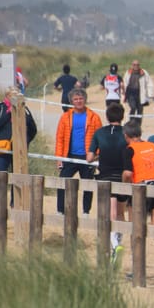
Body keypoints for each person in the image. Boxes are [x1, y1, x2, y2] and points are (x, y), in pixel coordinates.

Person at [87, 103, 130, 257]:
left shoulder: (99, 133)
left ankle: (114, 245)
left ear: (107, 116)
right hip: (123, 176)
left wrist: (101, 154)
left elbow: (89, 158)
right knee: (120, 212)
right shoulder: (127, 133)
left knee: (110, 212)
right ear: (122, 117)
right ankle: (118, 241)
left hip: (105, 175)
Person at [122, 119, 154, 238]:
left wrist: (124, 186)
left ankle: (136, 255)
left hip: (141, 189)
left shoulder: (129, 149)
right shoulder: (153, 146)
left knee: (135, 227)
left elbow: (128, 173)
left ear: (126, 135)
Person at [54, 87, 101, 215]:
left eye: (81, 98)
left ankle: (86, 211)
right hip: (69, 155)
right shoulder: (65, 117)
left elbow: (99, 138)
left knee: (88, 185)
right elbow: (60, 138)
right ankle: (60, 210)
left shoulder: (94, 117)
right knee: (62, 182)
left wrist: (96, 156)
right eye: (76, 99)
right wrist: (59, 158)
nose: (79, 101)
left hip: (87, 157)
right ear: (71, 101)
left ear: (85, 100)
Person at [0, 86, 37, 206]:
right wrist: (9, 114)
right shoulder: (0, 107)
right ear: (7, 96)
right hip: (2, 148)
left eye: (17, 95)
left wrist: (25, 142)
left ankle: (15, 203)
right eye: (12, 95)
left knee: (18, 177)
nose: (14, 97)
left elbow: (33, 129)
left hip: (18, 150)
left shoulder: (24, 109)